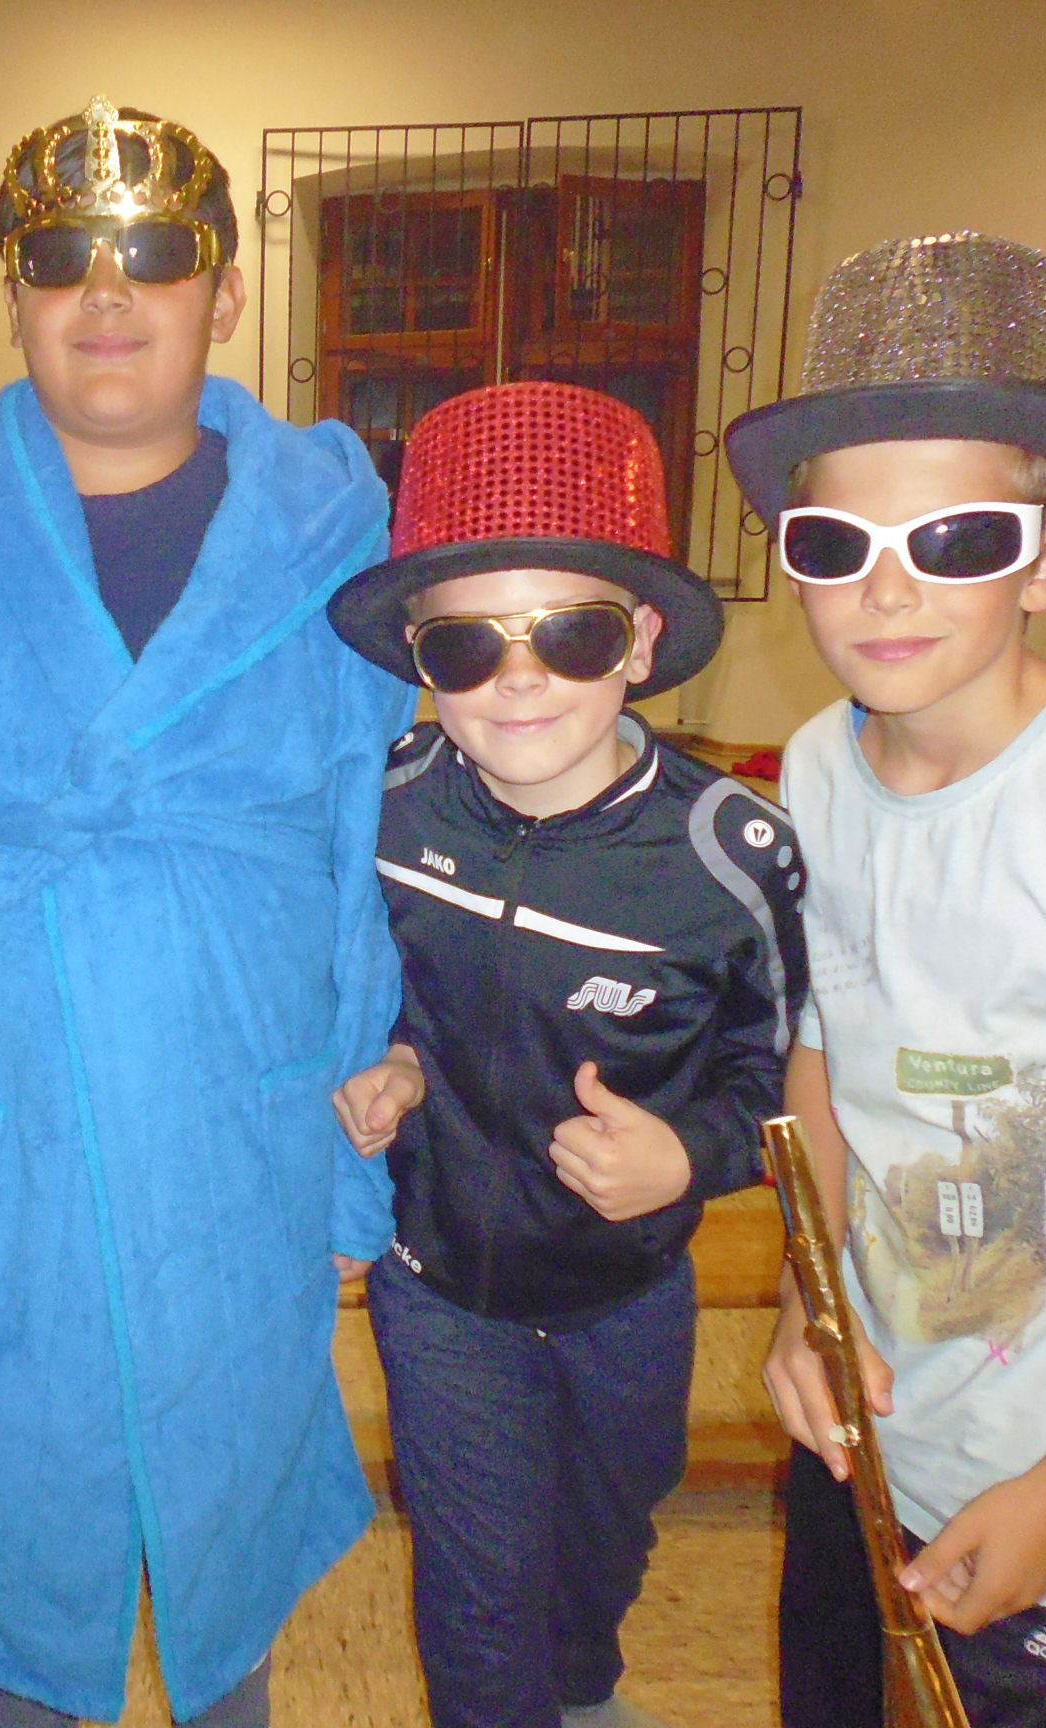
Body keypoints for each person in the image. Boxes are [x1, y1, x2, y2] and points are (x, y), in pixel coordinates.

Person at [0, 97, 410, 1727]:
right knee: (24, 1552)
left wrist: (354, 1169)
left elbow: (363, 841)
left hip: (243, 1117)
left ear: (225, 288)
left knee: (229, 1534)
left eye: (155, 253)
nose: (106, 294)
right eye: (61, 258)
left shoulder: (336, 530)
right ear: (13, 294)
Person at [730, 233, 1046, 1728]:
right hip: (870, 1439)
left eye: (956, 540)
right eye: (836, 545)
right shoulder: (815, 767)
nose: (886, 590)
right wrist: (805, 1307)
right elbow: (825, 1058)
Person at [325, 381, 805, 1728]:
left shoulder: (731, 857)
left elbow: (791, 1088)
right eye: (467, 645)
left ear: (640, 641)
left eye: (571, 632)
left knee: (607, 1536)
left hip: (628, 1294)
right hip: (439, 1290)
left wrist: (689, 1156)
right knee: (476, 1587)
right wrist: (393, 1063)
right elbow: (356, 990)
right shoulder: (385, 814)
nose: (521, 679)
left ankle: (580, 1686)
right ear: (421, 660)